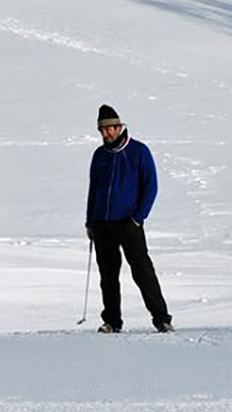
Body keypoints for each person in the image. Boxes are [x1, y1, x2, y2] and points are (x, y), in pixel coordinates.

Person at [86, 105, 173, 334]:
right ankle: (112, 321)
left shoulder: (138, 151)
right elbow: (94, 189)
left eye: (108, 130)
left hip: (128, 223)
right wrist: (90, 221)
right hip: (102, 224)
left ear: (119, 127)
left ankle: (161, 318)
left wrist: (138, 217)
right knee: (108, 276)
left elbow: (151, 186)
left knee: (142, 271)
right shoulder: (100, 155)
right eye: (101, 131)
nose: (105, 135)